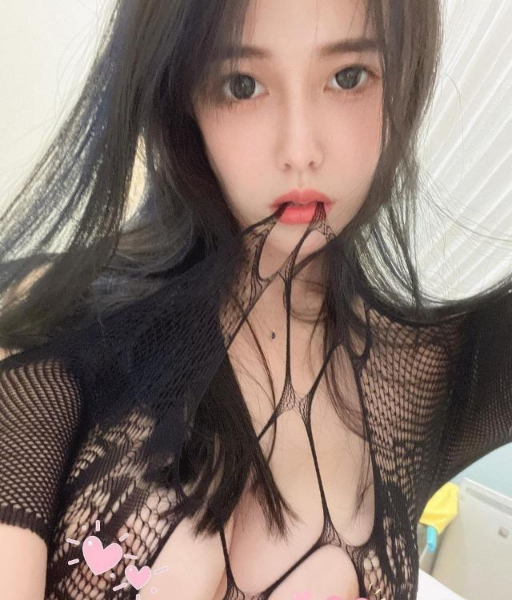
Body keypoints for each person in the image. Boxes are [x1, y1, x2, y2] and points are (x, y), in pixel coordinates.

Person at [0, 0, 511, 599]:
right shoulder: (57, 326)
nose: (300, 149)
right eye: (242, 85)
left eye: (349, 76)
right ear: (182, 99)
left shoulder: (436, 370)